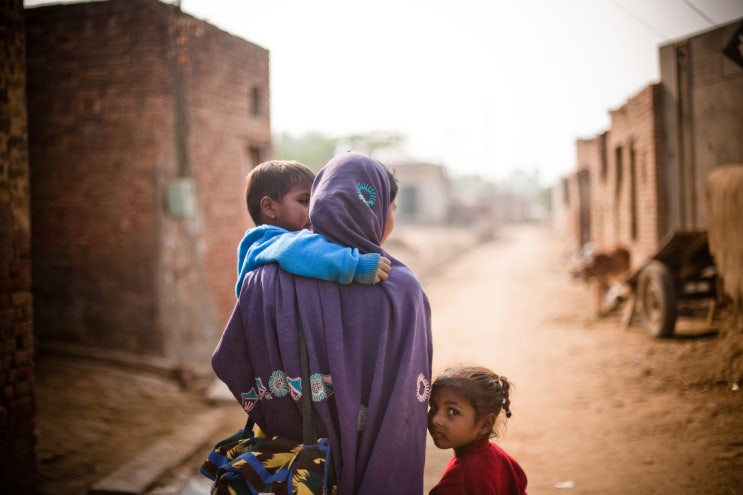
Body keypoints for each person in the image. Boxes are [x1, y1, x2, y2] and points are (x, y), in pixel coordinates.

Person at [212, 152, 432, 494]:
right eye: (392, 208)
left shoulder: (260, 276)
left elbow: (230, 360)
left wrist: (286, 410)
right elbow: (404, 403)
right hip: (368, 467)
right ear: (374, 209)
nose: (392, 220)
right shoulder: (397, 287)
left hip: (291, 471)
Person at [234, 159, 391, 297]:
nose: (312, 209)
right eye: (303, 201)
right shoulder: (270, 240)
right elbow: (297, 249)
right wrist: (355, 264)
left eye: (315, 201)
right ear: (269, 207)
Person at [427, 365, 528, 495]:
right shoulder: (503, 460)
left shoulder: (454, 486)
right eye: (434, 406)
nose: (436, 419)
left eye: (453, 411)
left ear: (485, 424)